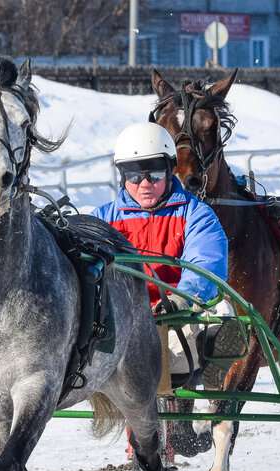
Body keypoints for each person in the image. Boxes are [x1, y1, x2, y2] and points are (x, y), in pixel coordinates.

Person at [93, 122, 245, 389]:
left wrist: (180, 300)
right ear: (122, 176)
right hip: (123, 318)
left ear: (169, 169)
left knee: (222, 311)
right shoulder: (104, 219)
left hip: (178, 313)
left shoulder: (195, 214)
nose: (144, 184)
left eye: (153, 173)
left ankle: (214, 359)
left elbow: (205, 264)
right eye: (134, 175)